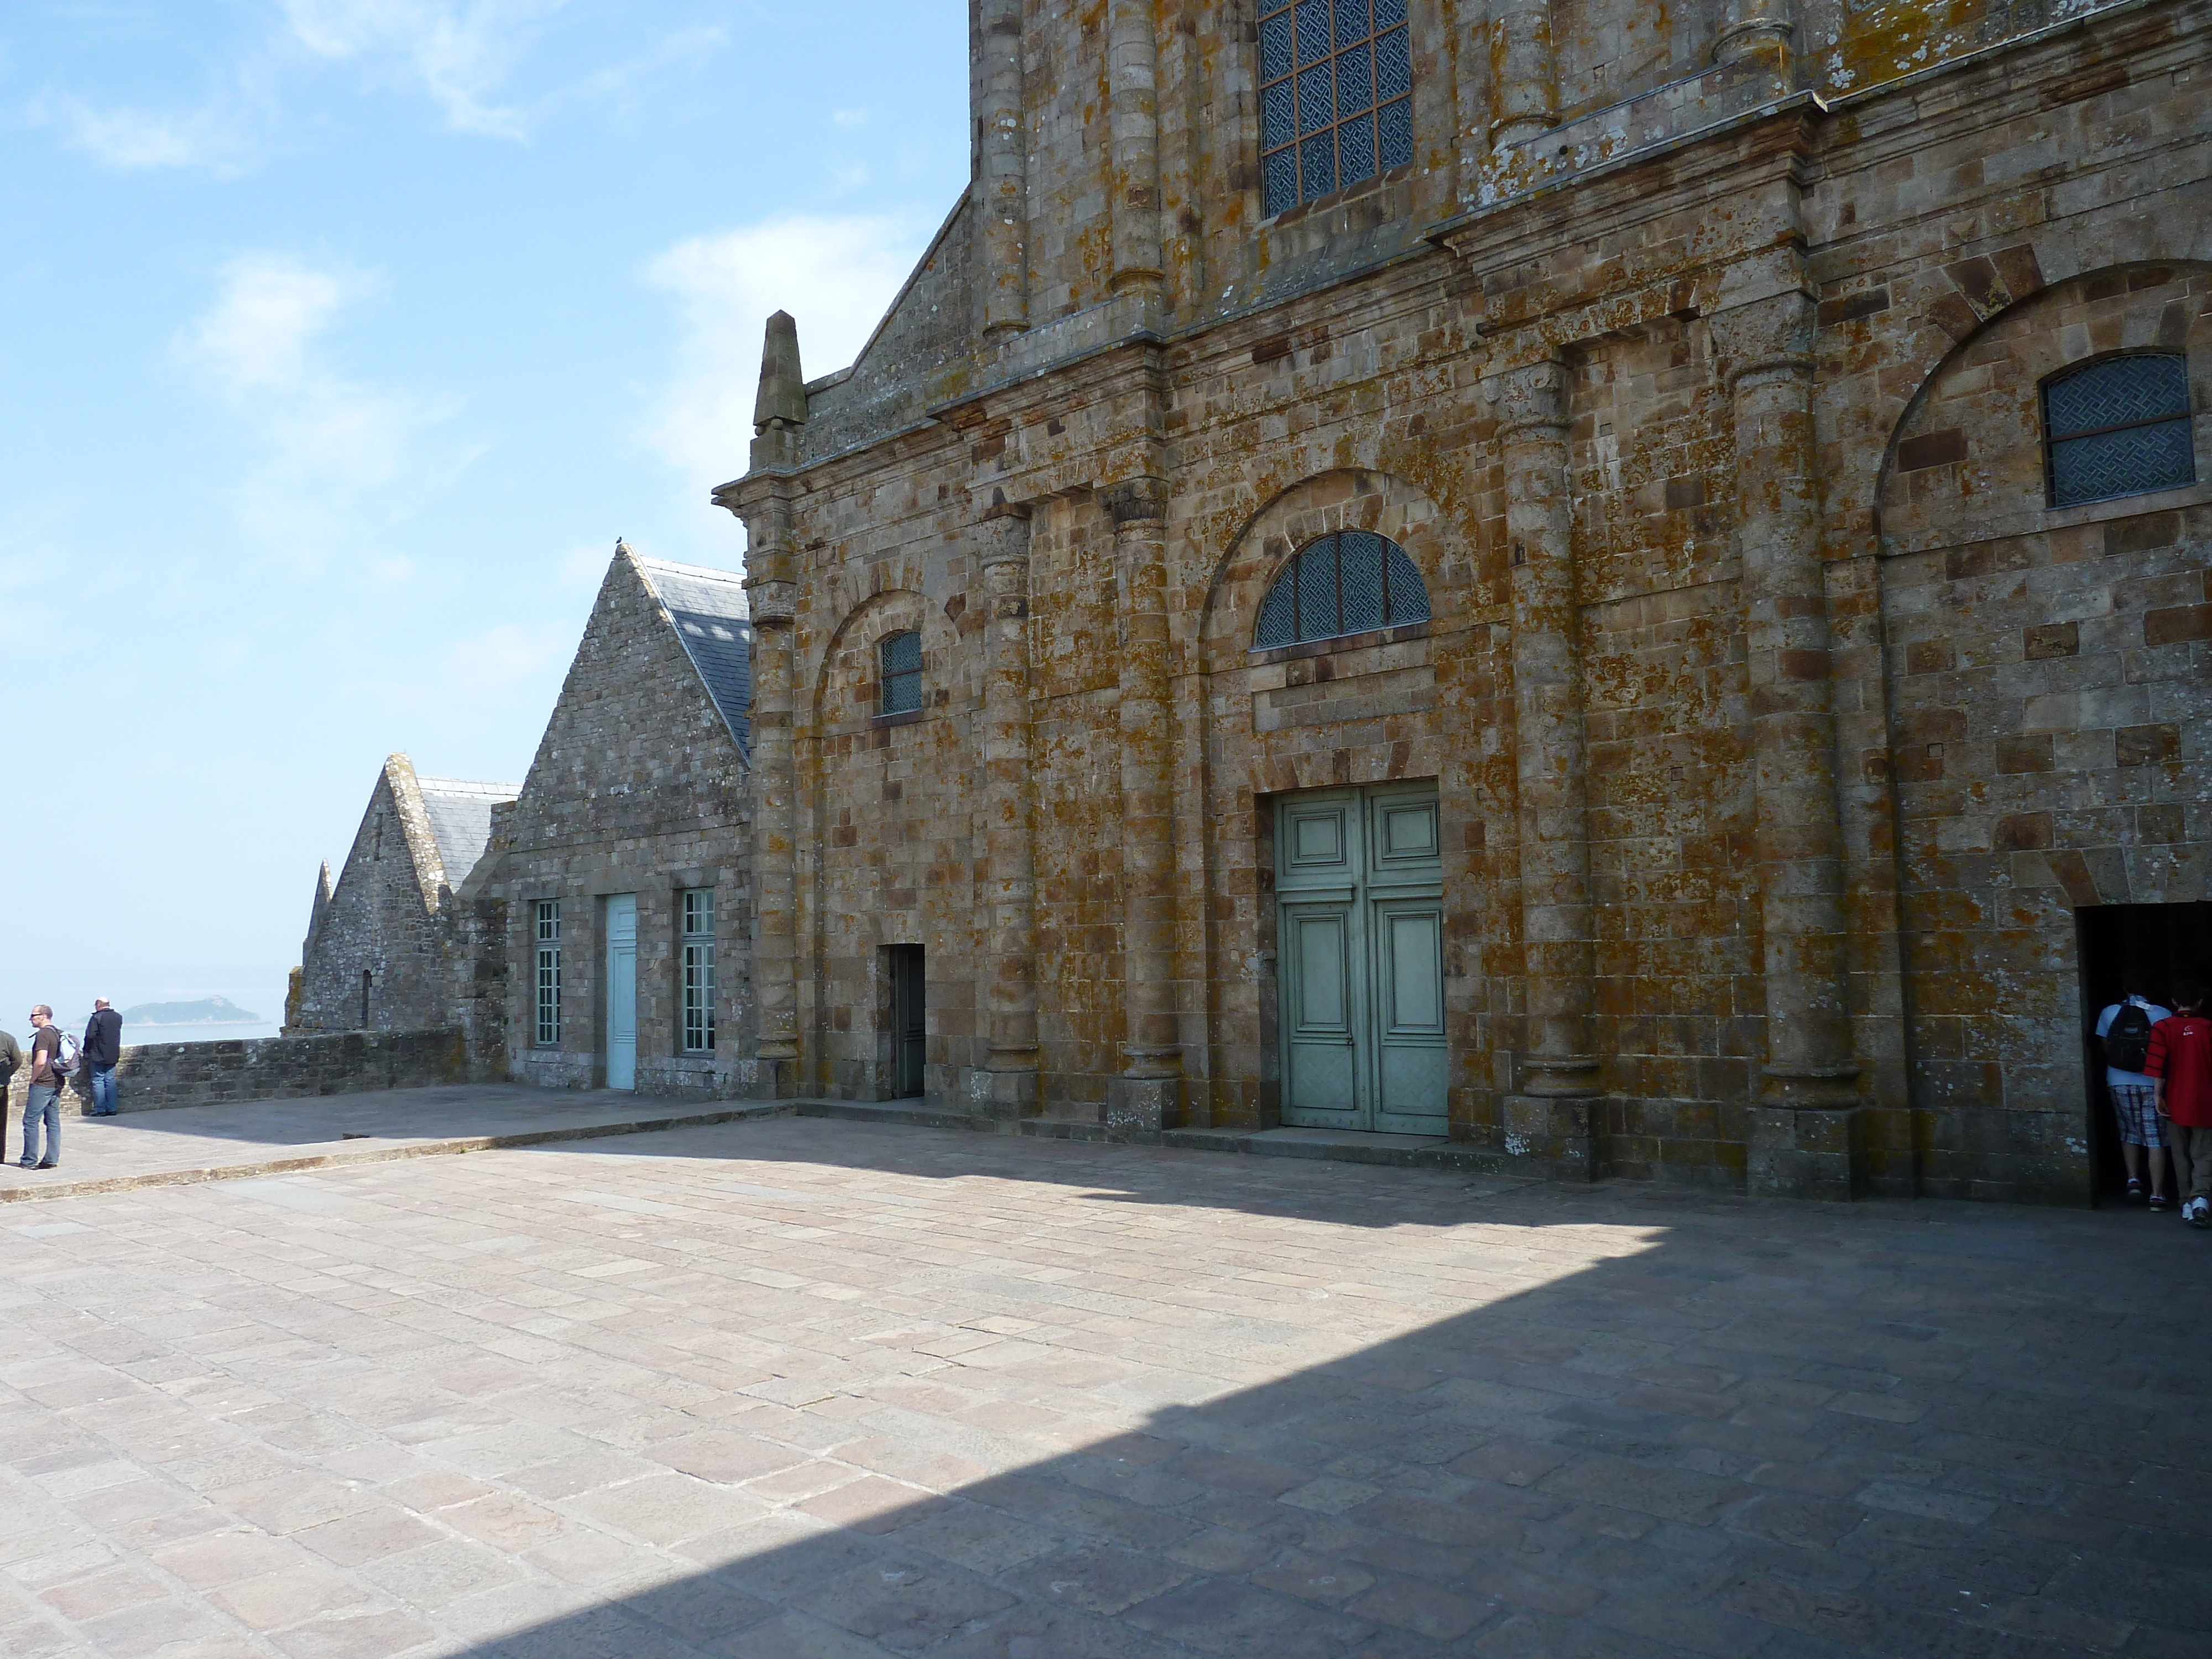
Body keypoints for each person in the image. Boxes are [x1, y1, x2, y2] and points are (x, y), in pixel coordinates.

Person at [2098, 985, 2175, 1207]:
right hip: (2152, 1082)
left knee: (2128, 1131)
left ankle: (2133, 1180)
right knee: (2155, 1138)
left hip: (2119, 1080)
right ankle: (2157, 1195)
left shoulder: (2108, 1012)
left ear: (2123, 988)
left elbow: (2106, 1048)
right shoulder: (2162, 1013)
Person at [2149, 978, 2212, 1229]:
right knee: (2204, 1153)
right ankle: (2202, 1200)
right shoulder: (2208, 1028)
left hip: (2174, 1099)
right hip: (2206, 1100)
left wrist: (2158, 1096)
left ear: (2174, 1002)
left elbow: (2158, 1066)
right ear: (2200, 1003)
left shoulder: (2162, 1027)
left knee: (2180, 1154)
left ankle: (2186, 1200)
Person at [19, 1005, 65, 1170]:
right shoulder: (57, 1032)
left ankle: (29, 1160)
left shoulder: (43, 1034)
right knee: (53, 1122)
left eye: (33, 1015)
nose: (31, 1019)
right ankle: (51, 1159)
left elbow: (41, 1061)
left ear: (44, 1016)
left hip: (43, 1082)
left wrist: (33, 1079)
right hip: (56, 1081)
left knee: (30, 1121)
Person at [82, 998, 122, 1117]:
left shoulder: (97, 1018)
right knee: (110, 1080)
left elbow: (90, 1036)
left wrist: (86, 1051)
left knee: (98, 1080)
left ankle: (100, 1110)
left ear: (99, 1005)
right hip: (113, 1053)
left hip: (98, 1054)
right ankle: (112, 1108)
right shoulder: (118, 1017)